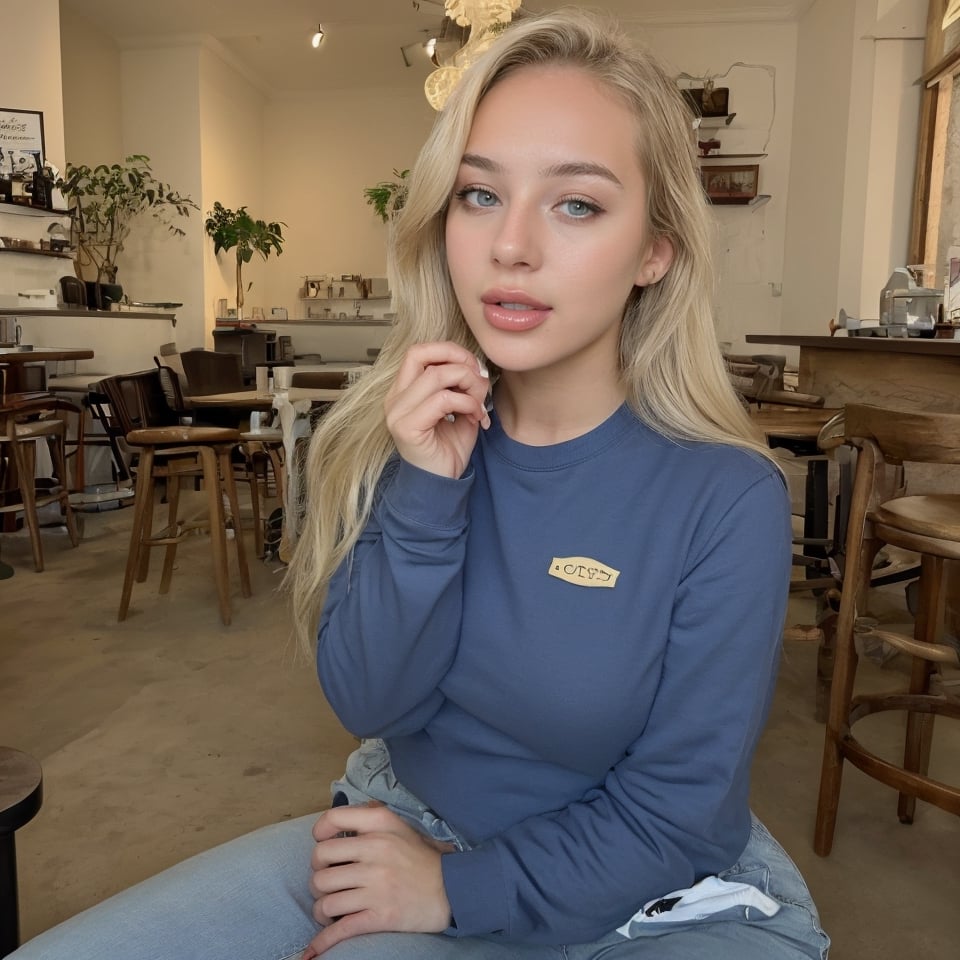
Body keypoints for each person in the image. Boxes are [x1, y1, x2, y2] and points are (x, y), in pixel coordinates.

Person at [12, 9, 829, 960]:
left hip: (659, 891)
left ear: (657, 250)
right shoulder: (398, 437)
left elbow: (677, 814)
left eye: (576, 204)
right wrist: (426, 492)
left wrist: (455, 887)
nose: (511, 246)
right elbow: (369, 703)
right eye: (479, 196)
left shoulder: (727, 498)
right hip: (403, 826)